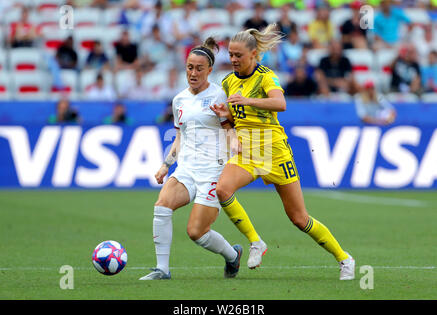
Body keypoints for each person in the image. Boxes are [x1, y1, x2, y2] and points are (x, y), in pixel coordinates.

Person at [210, 24, 355, 280]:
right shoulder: (228, 81)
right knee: (222, 190)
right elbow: (236, 116)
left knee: (299, 218)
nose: (233, 59)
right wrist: (226, 117)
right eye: (230, 54)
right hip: (247, 149)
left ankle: (344, 259)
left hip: (273, 150)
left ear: (253, 54)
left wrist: (248, 100)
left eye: (238, 55)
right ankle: (256, 242)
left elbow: (280, 103)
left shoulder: (266, 76)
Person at [139, 37, 246, 280]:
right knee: (162, 206)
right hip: (186, 168)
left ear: (209, 70)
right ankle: (162, 270)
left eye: (199, 68)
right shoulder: (179, 100)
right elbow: (180, 137)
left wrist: (235, 142)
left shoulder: (219, 95)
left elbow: (230, 129)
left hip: (213, 172)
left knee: (196, 232)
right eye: (189, 67)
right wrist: (166, 165)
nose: (193, 73)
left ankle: (232, 256)